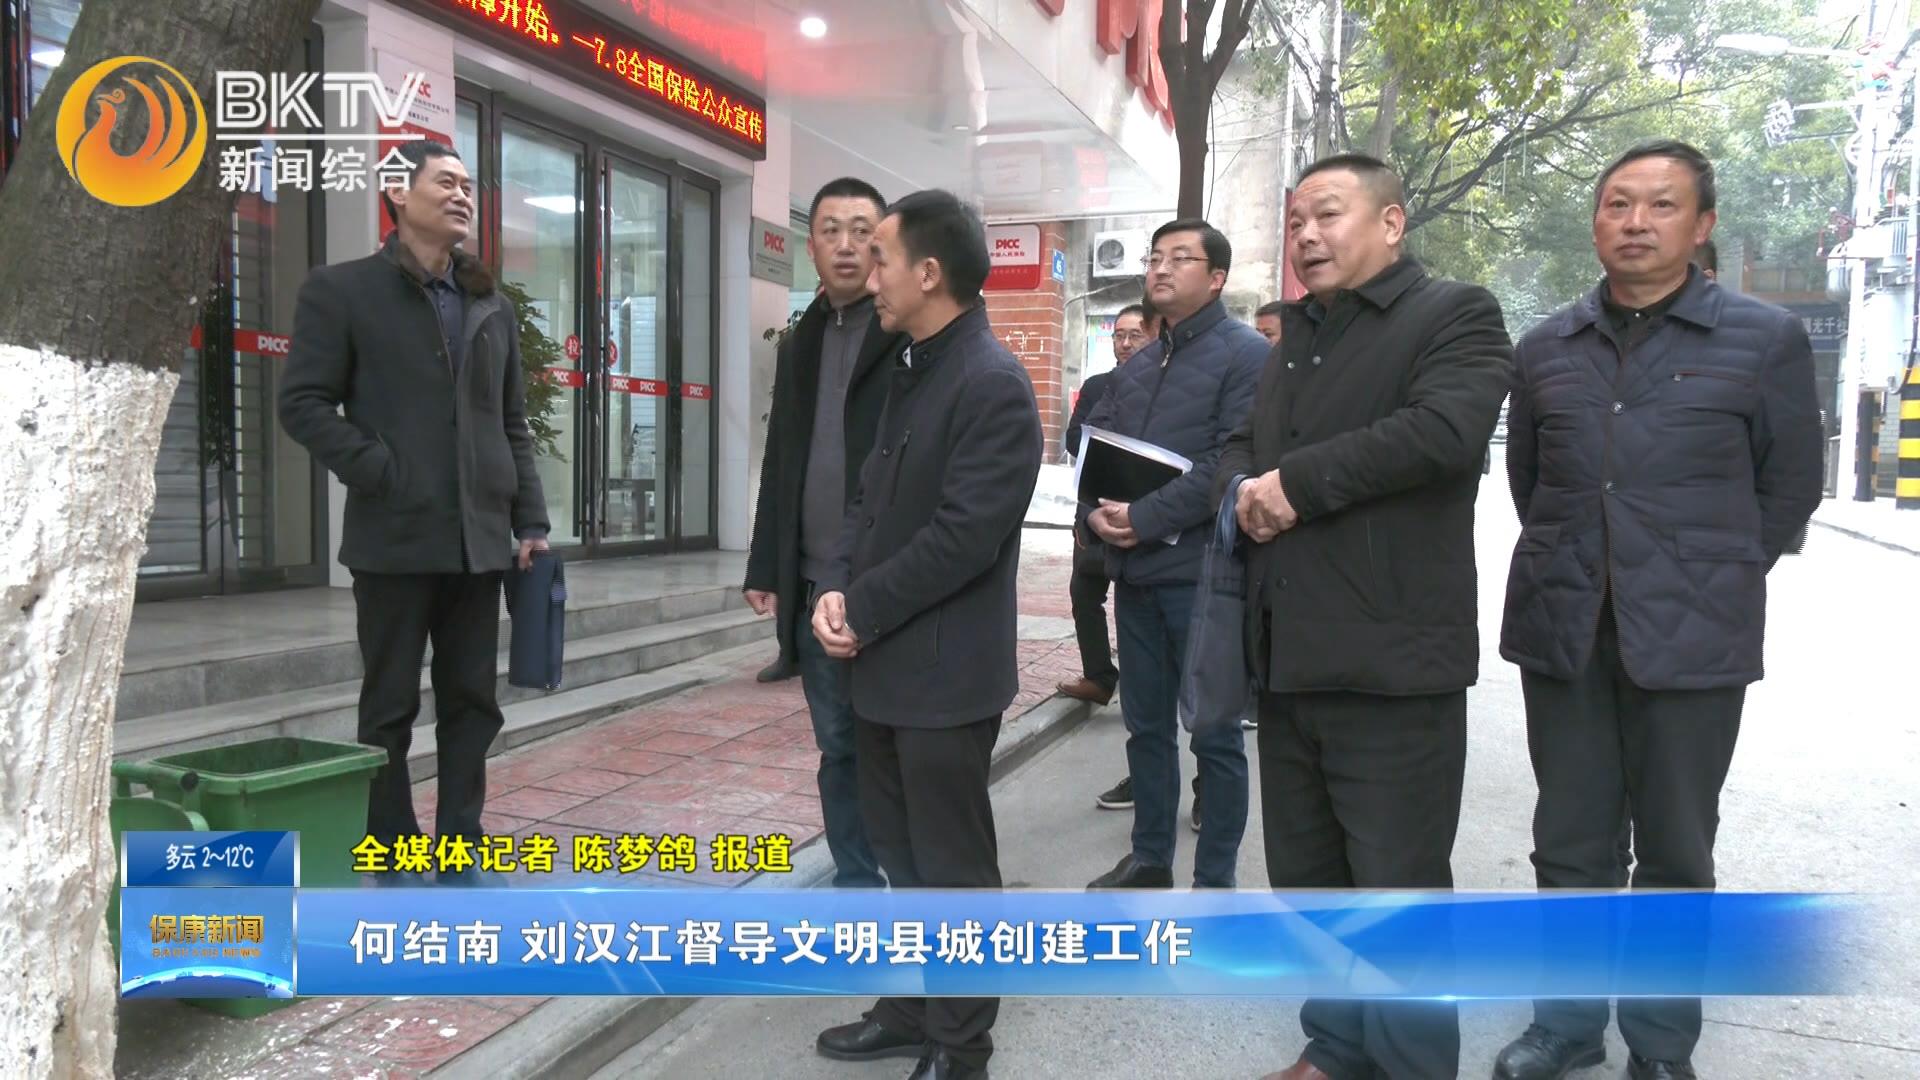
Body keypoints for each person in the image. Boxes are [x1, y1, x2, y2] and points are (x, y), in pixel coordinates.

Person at [1493, 140, 1822, 1080]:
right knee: (1570, 843)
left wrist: (1704, 569)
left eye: (1662, 205)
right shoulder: (1547, 346)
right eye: (1618, 204)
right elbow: (1532, 484)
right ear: (1596, 221)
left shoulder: (1763, 339)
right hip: (1566, 628)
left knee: (1677, 852)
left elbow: (1788, 489)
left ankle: (1661, 1046)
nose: (1635, 222)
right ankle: (1566, 1027)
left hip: (1694, 637)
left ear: (1703, 225)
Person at [1220, 152, 1511, 1080]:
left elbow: (1443, 432)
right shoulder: (1297, 334)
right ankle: (1338, 1046)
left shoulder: (1454, 314)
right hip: (1289, 655)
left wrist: (1293, 486)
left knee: (1397, 893)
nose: (1307, 236)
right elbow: (1250, 445)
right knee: (1309, 881)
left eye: (1329, 215)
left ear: (1391, 223)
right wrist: (1238, 487)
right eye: (1296, 221)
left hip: (1392, 665)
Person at [810, 189, 1042, 1080]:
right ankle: (913, 1005)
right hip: (883, 665)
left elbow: (963, 538)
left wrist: (862, 608)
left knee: (952, 869)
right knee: (901, 856)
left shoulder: (991, 382)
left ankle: (961, 1043)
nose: (868, 274)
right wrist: (834, 589)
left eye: (881, 257)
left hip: (945, 676)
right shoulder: (914, 366)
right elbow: (866, 500)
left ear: (930, 273)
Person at [278, 140, 548, 885]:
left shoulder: (490, 304)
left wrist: (529, 520)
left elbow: (511, 422)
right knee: (389, 706)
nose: (463, 194)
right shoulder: (342, 291)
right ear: (398, 193)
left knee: (472, 702)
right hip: (393, 538)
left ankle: (460, 844)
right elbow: (302, 403)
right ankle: (391, 848)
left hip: (478, 543)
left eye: (468, 184)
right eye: (446, 182)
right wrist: (380, 470)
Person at [1080, 218, 1265, 888]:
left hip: (1204, 577)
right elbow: (1096, 446)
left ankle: (1214, 882)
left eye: (1179, 258)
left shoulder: (1246, 355)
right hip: (1136, 574)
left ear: (1216, 279)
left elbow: (1229, 460)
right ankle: (1150, 858)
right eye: (1155, 257)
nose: (1159, 268)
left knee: (1213, 733)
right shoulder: (1139, 363)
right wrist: (1096, 513)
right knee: (1146, 727)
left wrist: (1147, 517)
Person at [742, 177, 906, 889]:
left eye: (861, 230)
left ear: (885, 243)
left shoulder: (906, 333)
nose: (845, 245)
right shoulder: (801, 339)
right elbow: (783, 457)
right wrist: (765, 565)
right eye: (830, 230)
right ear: (809, 247)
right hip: (815, 579)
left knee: (894, 741)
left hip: (888, 576)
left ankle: (913, 878)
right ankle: (856, 880)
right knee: (837, 740)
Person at [1055, 304, 1147, 712]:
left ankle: (1142, 683)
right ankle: (1099, 676)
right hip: (1093, 509)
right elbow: (1075, 438)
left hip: (1141, 511)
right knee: (1084, 593)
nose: (1125, 343)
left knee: (1136, 602)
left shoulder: (1163, 387)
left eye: (1134, 335)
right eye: (1118, 335)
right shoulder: (1096, 386)